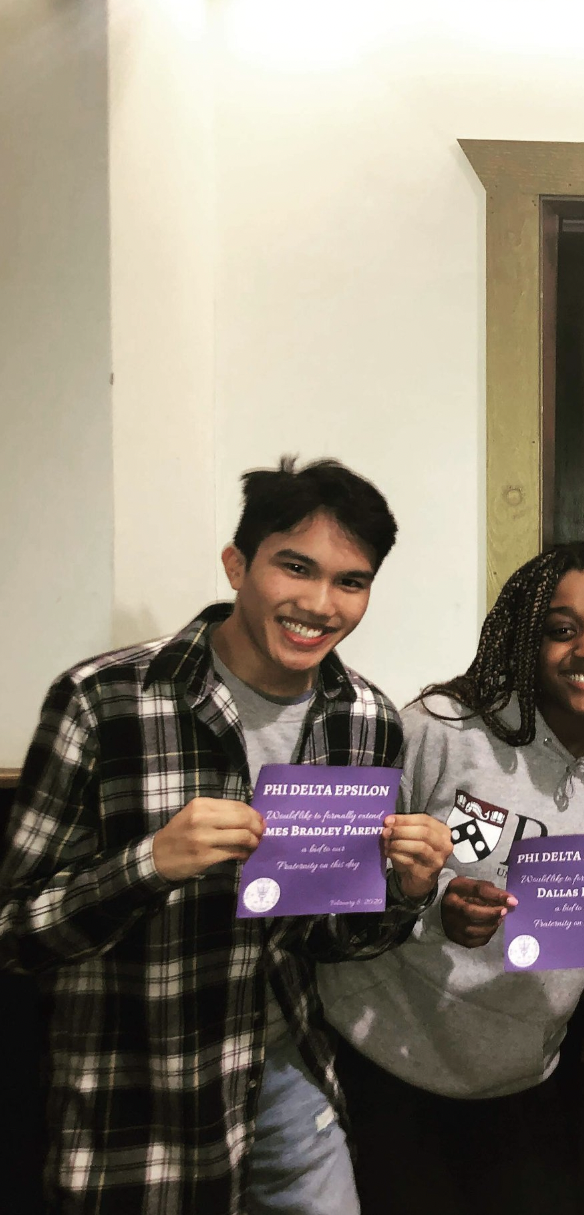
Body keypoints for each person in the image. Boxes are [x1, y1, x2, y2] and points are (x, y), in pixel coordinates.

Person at [0, 457, 452, 1215]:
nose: (320, 604)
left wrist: (407, 889)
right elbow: (14, 931)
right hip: (137, 1101)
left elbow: (331, 937)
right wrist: (149, 864)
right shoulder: (104, 701)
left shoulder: (365, 720)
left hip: (286, 1075)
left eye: (351, 581)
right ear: (238, 565)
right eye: (296, 567)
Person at [318, 544, 584, 1215]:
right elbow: (349, 875)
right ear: (524, 638)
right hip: (380, 1058)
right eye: (560, 629)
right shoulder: (443, 727)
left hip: (523, 1077)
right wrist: (436, 905)